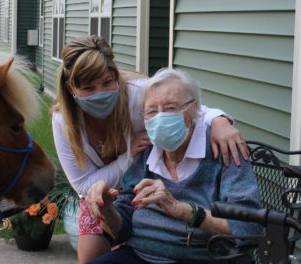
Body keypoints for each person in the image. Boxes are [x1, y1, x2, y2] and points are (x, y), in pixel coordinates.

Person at [52, 35, 249, 263]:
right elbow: (85, 186)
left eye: (107, 82)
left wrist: (220, 120)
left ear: (116, 76)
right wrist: (128, 158)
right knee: (89, 257)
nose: (100, 92)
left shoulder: (138, 94)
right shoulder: (63, 120)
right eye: (88, 88)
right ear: (70, 88)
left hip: (174, 227)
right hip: (103, 193)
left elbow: (184, 102)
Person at [85, 68, 262, 264]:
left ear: (193, 109)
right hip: (139, 255)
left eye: (170, 108)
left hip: (200, 258)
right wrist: (107, 207)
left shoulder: (223, 150)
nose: (160, 118)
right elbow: (122, 228)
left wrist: (183, 210)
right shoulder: (147, 152)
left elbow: (248, 228)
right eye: (152, 111)